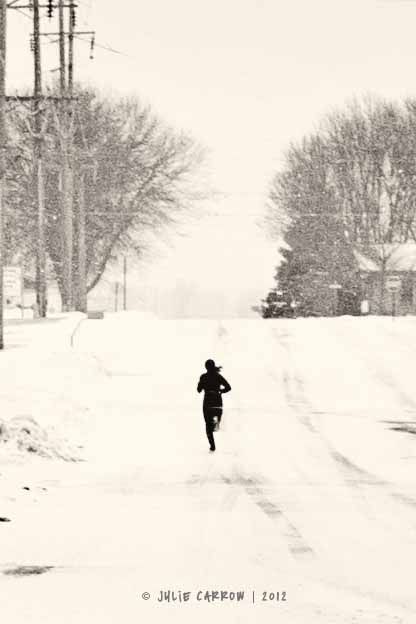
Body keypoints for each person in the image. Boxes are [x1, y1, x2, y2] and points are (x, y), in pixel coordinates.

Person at [197, 359, 231, 452]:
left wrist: (201, 382)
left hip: (207, 404)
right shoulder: (218, 376)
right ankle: (215, 426)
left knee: (208, 426)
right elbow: (229, 387)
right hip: (217, 403)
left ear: (206, 367)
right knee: (215, 425)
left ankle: (212, 446)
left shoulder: (203, 377)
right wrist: (220, 391)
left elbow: (198, 390)